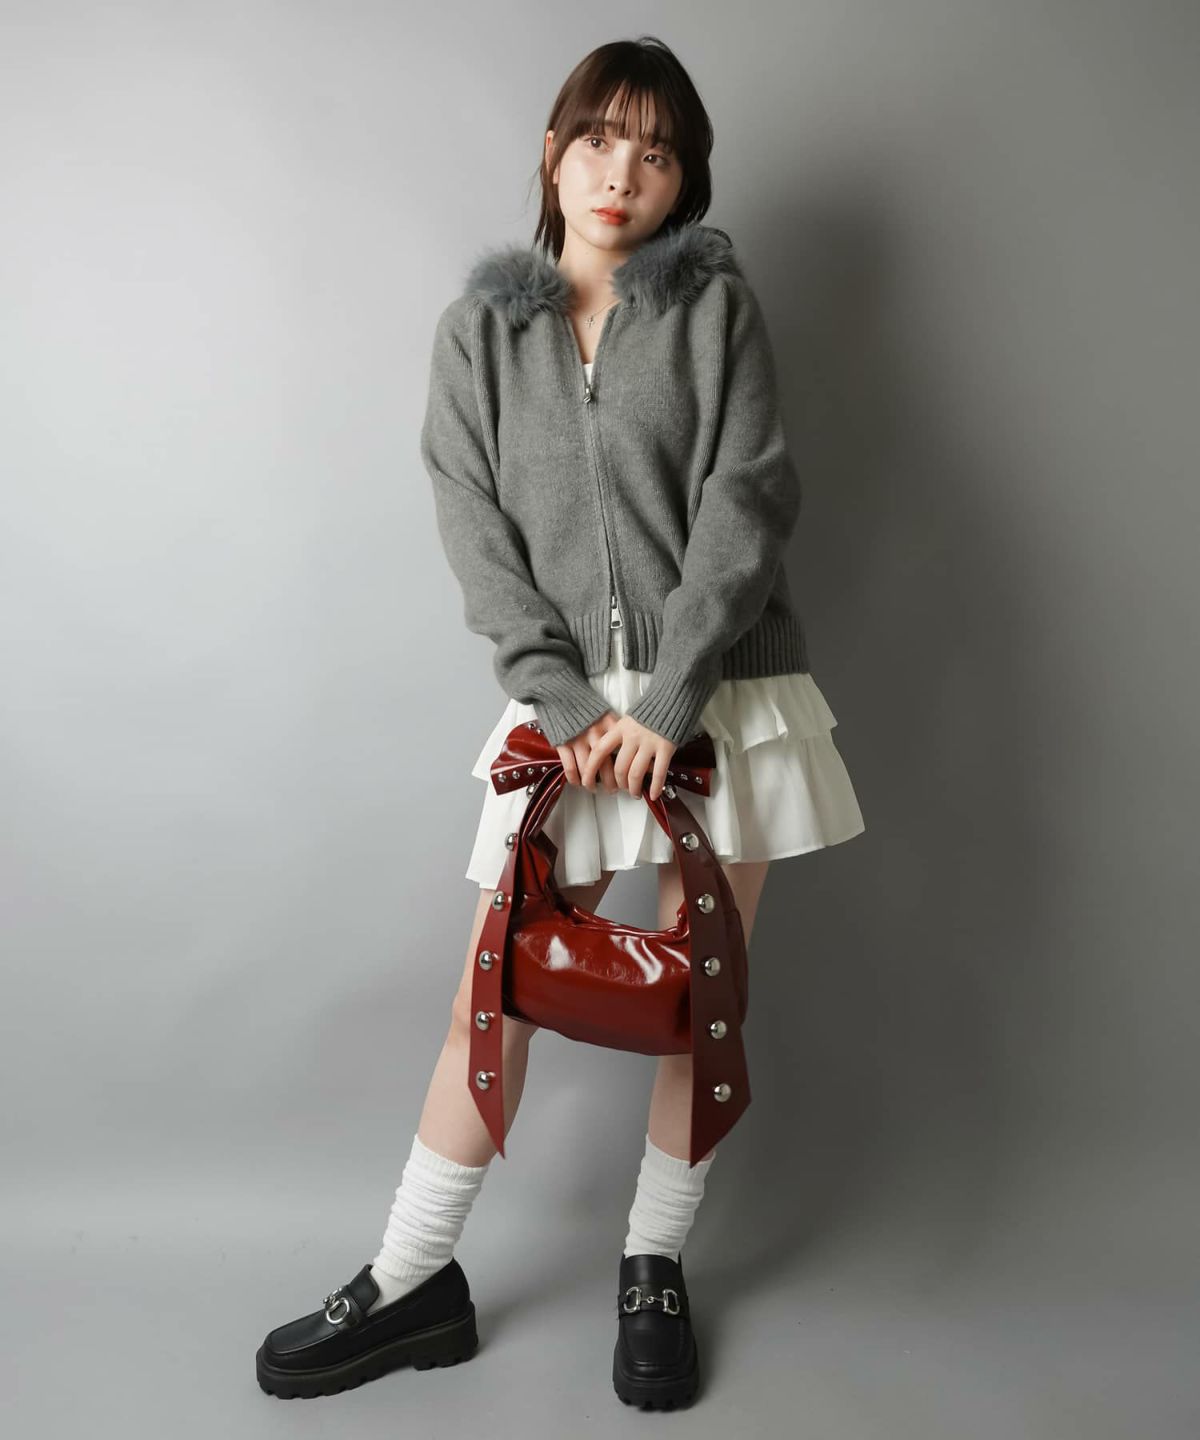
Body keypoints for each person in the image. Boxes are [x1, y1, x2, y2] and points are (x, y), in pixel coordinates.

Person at [256, 34, 865, 1410]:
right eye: (599, 138)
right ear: (553, 150)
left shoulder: (716, 311)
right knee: (496, 991)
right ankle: (414, 1276)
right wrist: (571, 703)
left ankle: (654, 1266)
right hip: (569, 719)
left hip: (725, 697)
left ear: (685, 178)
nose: (622, 173)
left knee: (699, 997)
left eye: (657, 152)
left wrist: (673, 697)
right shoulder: (480, 335)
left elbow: (748, 501)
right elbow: (474, 531)